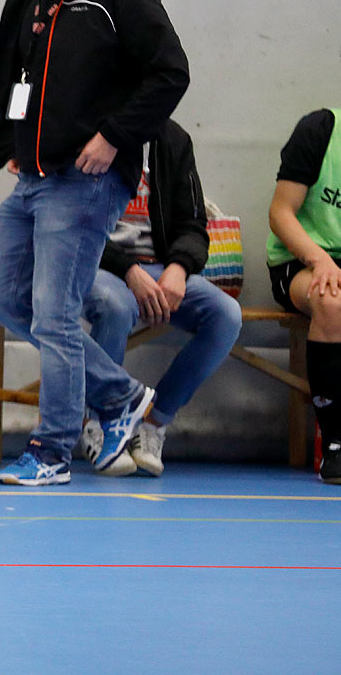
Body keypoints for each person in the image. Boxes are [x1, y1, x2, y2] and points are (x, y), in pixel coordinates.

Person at [0, 0, 190, 486]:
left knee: (57, 316)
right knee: (7, 302)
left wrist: (116, 136)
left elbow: (172, 71)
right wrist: (9, 148)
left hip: (86, 182)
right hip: (33, 180)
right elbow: (9, 77)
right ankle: (120, 396)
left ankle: (52, 450)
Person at [81, 118, 242, 476]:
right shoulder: (85, 129)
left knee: (226, 315)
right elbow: (71, 222)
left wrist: (179, 268)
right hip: (95, 264)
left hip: (159, 267)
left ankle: (152, 422)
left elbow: (193, 225)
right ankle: (101, 423)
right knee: (115, 306)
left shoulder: (172, 139)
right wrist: (128, 270)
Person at [264, 32, 341, 485]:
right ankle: (333, 443)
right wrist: (320, 260)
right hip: (303, 260)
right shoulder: (320, 129)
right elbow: (280, 213)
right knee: (331, 299)